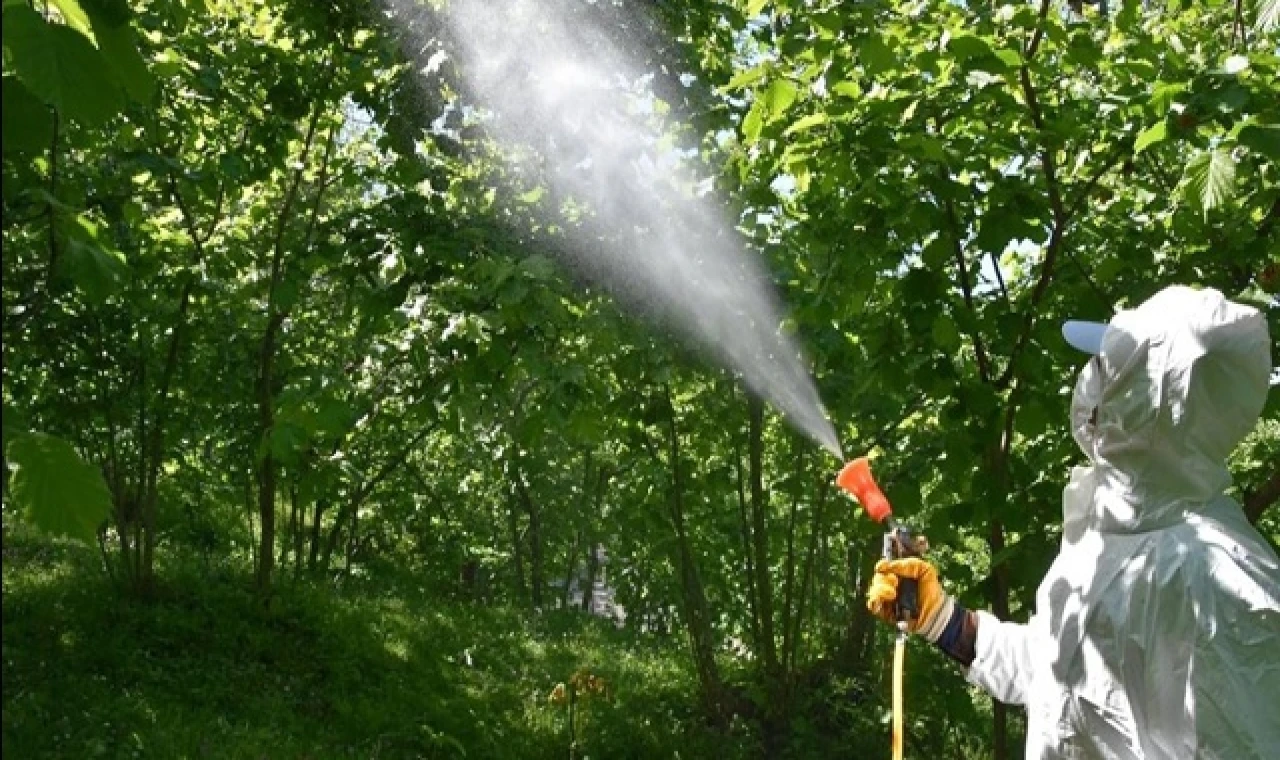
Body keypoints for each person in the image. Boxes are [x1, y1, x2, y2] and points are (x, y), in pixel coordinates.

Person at [866, 285, 1280, 759]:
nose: (1088, 380)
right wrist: (943, 620)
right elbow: (1054, 680)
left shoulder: (1223, 581)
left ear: (1142, 396)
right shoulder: (1102, 540)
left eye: (1104, 366)